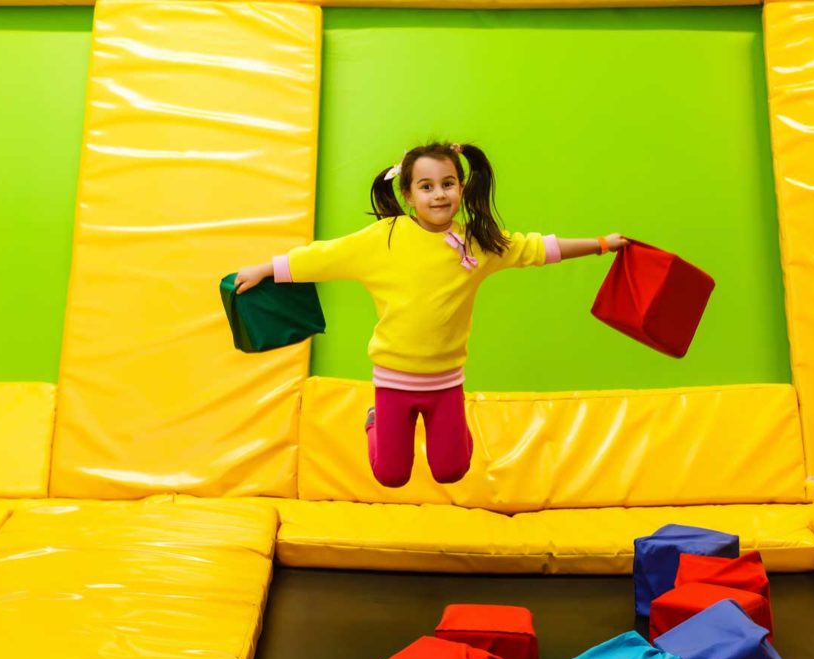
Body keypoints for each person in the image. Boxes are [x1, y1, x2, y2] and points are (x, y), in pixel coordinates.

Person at [235, 141, 628, 487]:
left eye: (447, 184)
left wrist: (600, 244)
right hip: (393, 381)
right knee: (391, 475)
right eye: (426, 187)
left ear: (461, 188)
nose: (438, 195)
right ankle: (375, 420)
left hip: (445, 383)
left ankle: (454, 433)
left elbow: (537, 249)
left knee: (451, 470)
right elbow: (322, 258)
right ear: (408, 194)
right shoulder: (385, 238)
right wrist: (265, 269)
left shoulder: (477, 243)